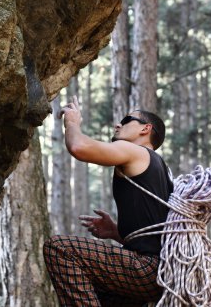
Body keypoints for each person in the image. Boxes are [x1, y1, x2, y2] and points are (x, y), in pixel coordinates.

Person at [43, 96, 173, 307]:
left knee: (60, 249)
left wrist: (73, 123)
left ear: (145, 129)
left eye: (127, 119)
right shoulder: (162, 169)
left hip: (146, 269)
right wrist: (116, 233)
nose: (118, 124)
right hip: (160, 273)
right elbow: (154, 238)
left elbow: (79, 147)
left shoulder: (136, 152)